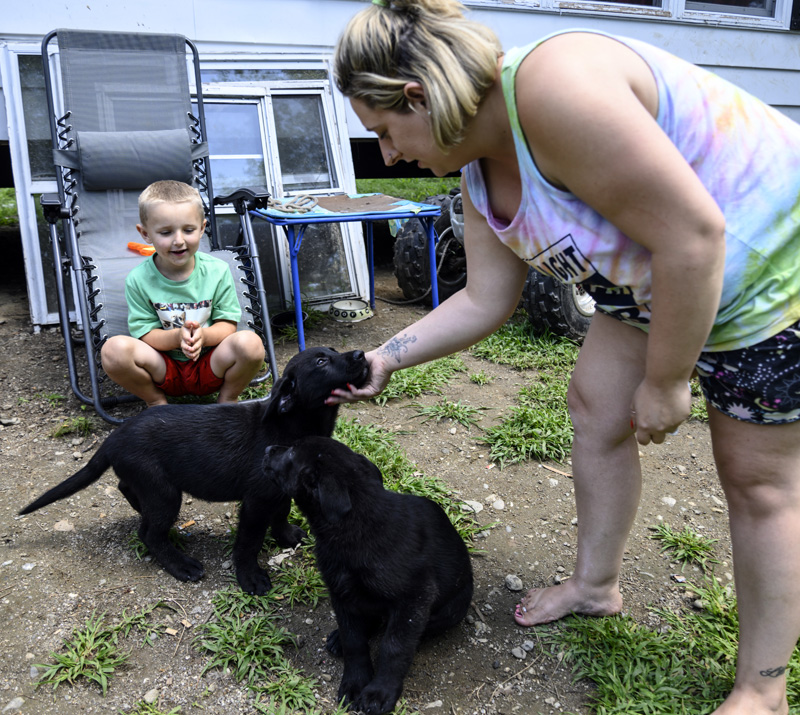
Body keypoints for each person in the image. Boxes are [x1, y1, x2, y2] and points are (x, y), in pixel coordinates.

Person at [328, 1, 800, 713]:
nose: (388, 154)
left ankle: (763, 687)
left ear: (418, 96)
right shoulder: (478, 173)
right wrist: (388, 354)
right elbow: (486, 300)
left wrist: (669, 381)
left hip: (769, 263)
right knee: (596, 406)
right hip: (658, 273)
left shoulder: (556, 87)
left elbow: (696, 237)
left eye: (385, 132)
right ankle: (595, 583)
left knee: (758, 481)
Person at [100, 180, 265, 406]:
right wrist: (177, 337)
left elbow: (228, 324)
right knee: (113, 350)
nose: (179, 241)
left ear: (202, 228)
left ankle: (228, 398)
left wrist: (204, 337)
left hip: (210, 364)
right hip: (164, 368)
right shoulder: (138, 280)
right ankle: (156, 401)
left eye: (188, 230)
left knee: (251, 344)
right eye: (166, 232)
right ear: (145, 234)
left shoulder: (217, 271)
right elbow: (145, 334)